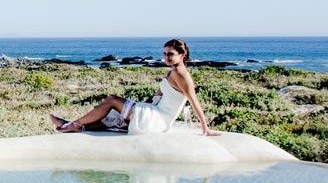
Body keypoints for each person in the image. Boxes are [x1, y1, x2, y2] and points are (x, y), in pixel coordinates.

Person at [49, 39, 221, 136]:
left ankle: (72, 124)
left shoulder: (181, 74)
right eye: (164, 53)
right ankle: (77, 126)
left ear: (182, 55)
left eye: (171, 54)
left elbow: (193, 100)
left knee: (111, 100)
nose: (166, 57)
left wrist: (205, 127)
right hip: (154, 112)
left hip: (158, 119)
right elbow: (160, 96)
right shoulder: (173, 71)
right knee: (112, 116)